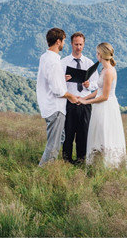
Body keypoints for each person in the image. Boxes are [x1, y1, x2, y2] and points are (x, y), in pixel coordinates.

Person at [78, 42, 127, 169]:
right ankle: (98, 162)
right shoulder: (104, 69)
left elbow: (105, 96)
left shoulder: (109, 72)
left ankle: (108, 164)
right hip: (100, 106)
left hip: (106, 107)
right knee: (99, 133)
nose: (96, 55)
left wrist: (86, 102)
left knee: (105, 133)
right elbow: (98, 91)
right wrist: (84, 97)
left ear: (100, 55)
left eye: (97, 53)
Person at [37, 28, 79, 166]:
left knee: (60, 138)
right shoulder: (54, 62)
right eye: (64, 41)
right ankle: (44, 171)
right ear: (58, 41)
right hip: (55, 107)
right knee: (53, 144)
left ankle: (46, 168)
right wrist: (71, 96)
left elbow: (50, 79)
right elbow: (57, 90)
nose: (64, 44)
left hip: (49, 105)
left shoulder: (45, 57)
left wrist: (61, 78)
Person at [61, 32, 99, 164]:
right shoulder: (63, 62)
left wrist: (89, 85)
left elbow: (97, 83)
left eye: (81, 44)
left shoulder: (89, 63)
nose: (78, 47)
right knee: (68, 133)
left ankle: (81, 160)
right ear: (71, 44)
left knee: (84, 134)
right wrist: (62, 79)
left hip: (85, 103)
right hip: (69, 103)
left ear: (84, 45)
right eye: (76, 44)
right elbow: (56, 84)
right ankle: (66, 160)